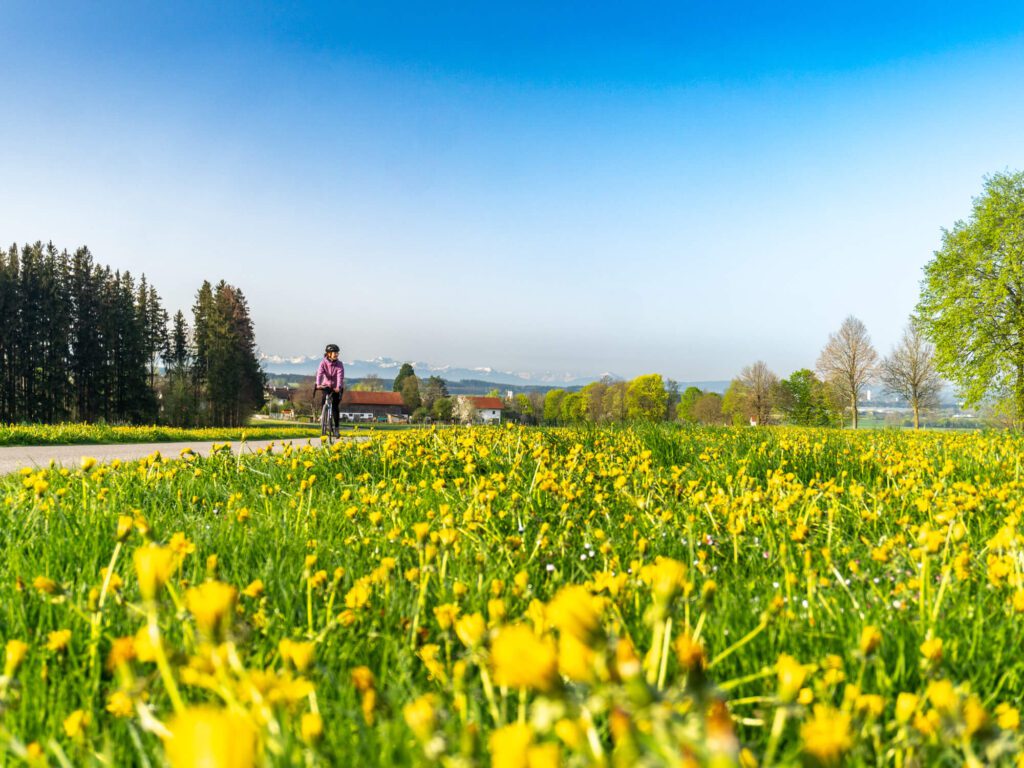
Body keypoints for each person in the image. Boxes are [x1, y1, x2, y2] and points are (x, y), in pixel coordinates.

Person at [316, 344, 345, 430]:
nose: (336, 354)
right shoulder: (323, 363)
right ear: (329, 354)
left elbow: (340, 376)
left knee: (335, 407)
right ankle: (323, 415)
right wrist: (318, 384)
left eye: (337, 353)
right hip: (326, 386)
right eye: (334, 353)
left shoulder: (339, 364)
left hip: (336, 388)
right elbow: (319, 374)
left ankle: (336, 428)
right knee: (324, 399)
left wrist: (338, 387)